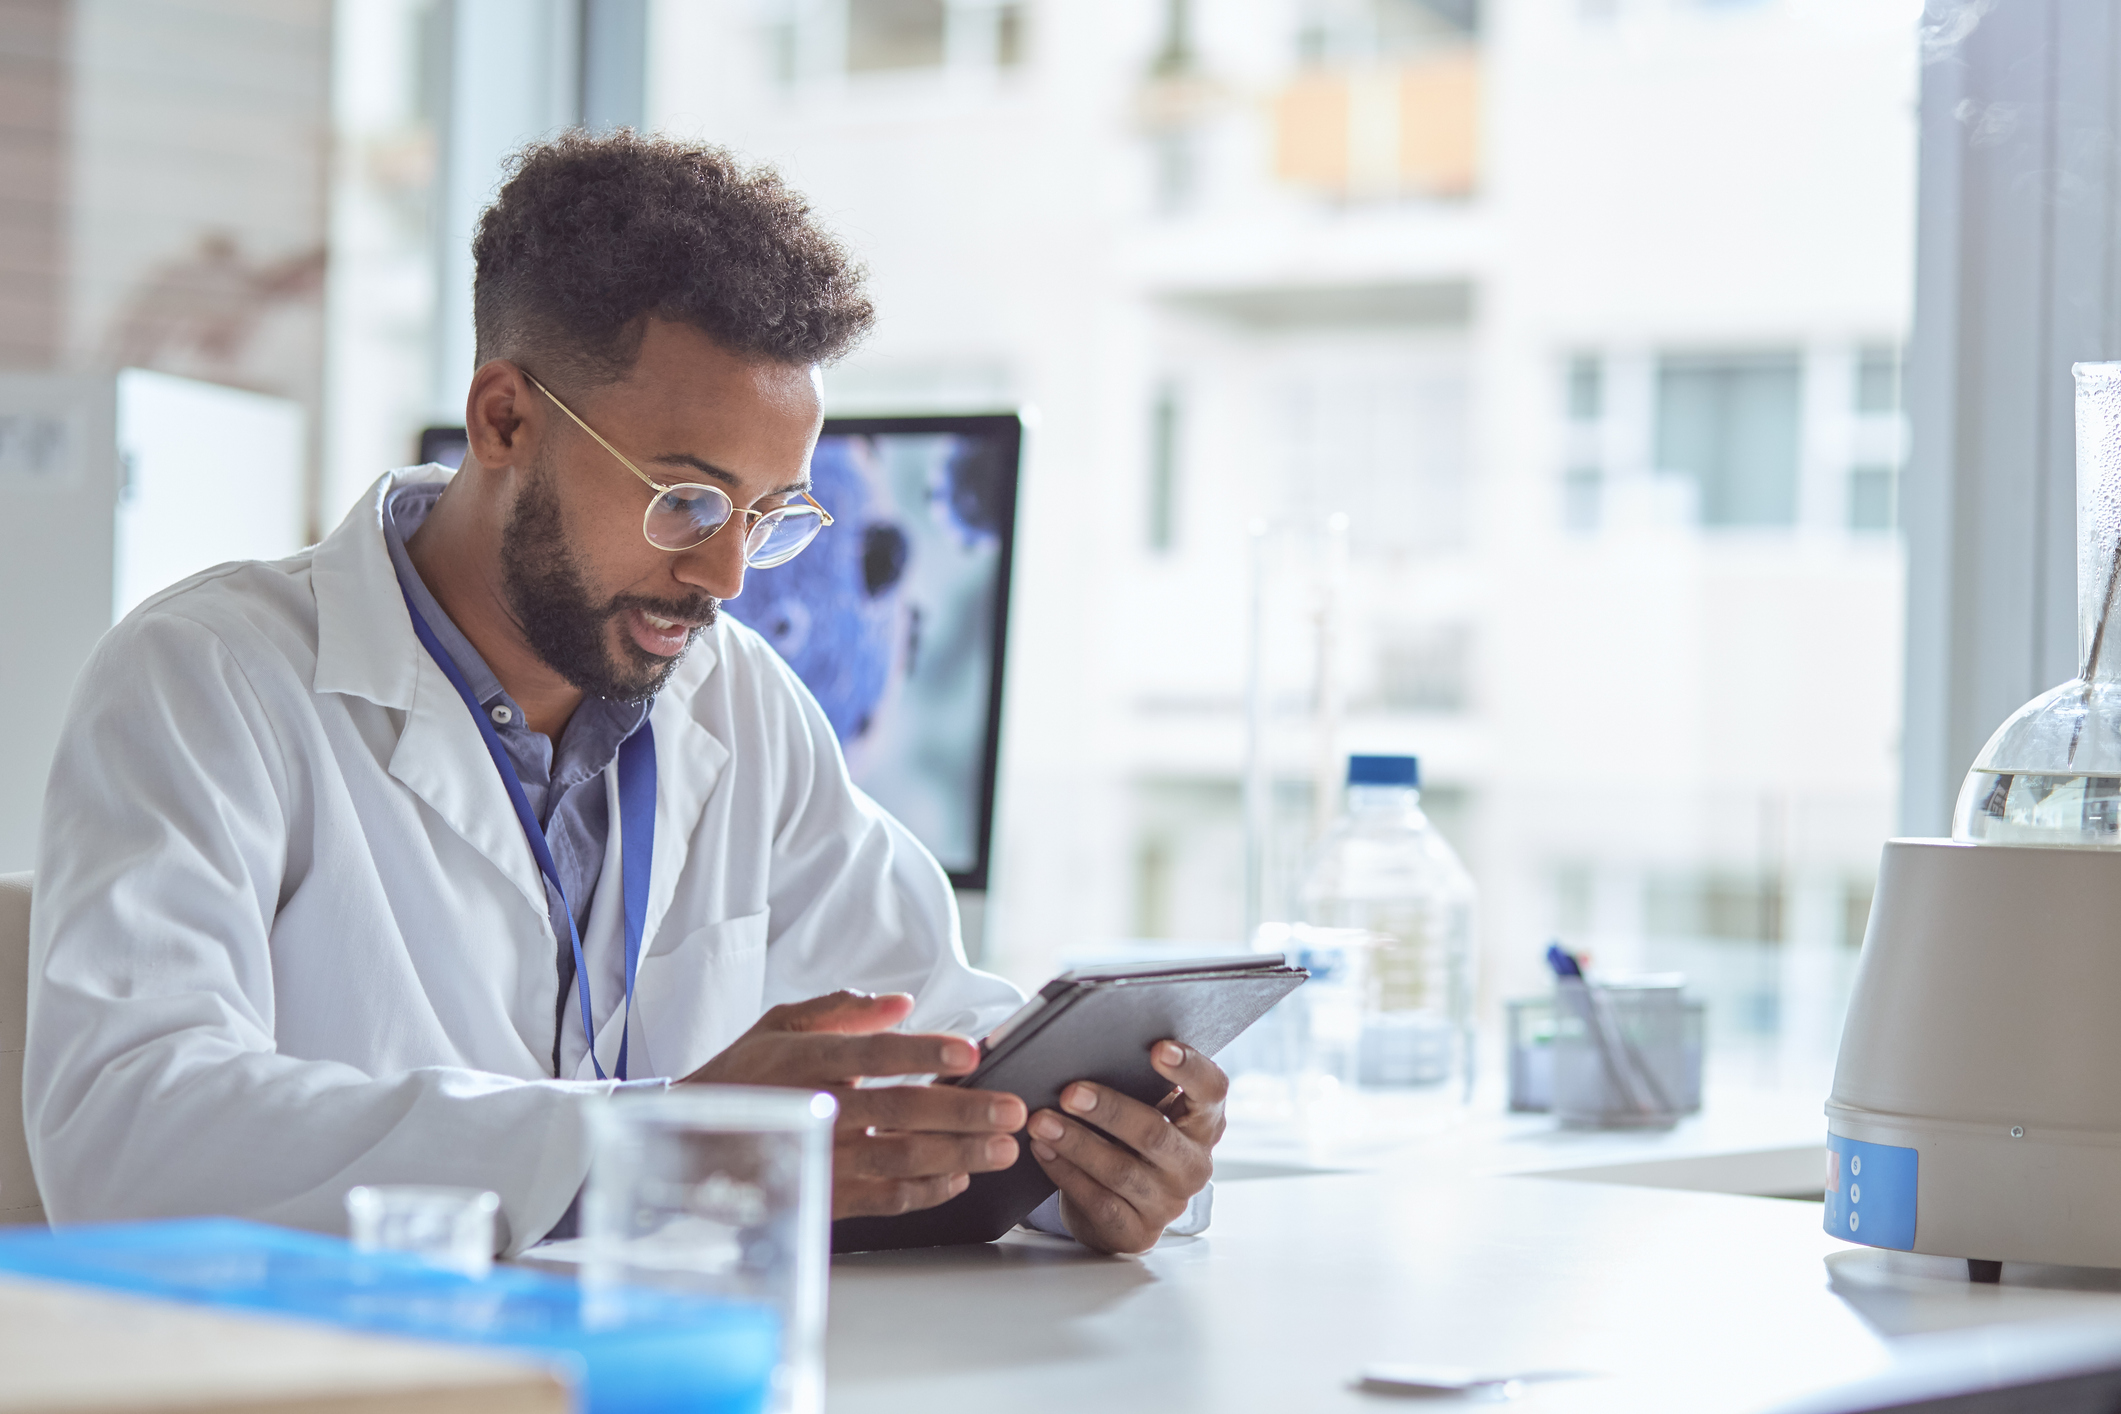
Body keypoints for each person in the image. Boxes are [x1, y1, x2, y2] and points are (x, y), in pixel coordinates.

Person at [24, 132, 1224, 1257]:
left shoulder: (734, 700)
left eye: (770, 515)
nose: (727, 576)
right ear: (505, 419)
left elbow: (933, 1030)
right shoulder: (208, 678)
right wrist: (643, 1146)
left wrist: (1083, 1158)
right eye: (687, 501)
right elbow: (127, 1130)